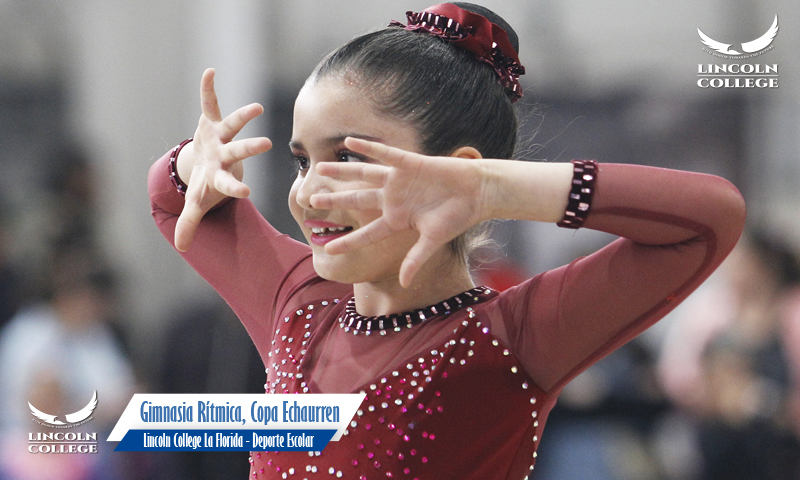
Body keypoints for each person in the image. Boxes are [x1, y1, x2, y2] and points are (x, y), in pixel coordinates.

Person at [148, 3, 746, 479]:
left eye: (349, 160)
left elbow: (707, 219)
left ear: (457, 171)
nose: (308, 196)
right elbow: (172, 199)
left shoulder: (512, 339)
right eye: (304, 162)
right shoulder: (297, 300)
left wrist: (493, 188)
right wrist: (187, 164)